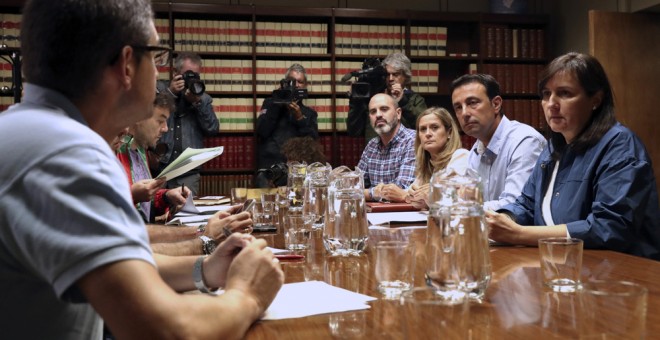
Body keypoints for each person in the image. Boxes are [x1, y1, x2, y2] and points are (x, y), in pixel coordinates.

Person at [0, 1, 283, 339]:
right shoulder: (67, 153)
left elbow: (120, 266)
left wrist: (206, 268)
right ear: (127, 65)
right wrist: (248, 294)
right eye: (157, 56)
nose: (161, 72)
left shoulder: (27, 130)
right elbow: (168, 330)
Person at [486, 52, 660, 260]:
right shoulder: (552, 149)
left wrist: (519, 234)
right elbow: (526, 205)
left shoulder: (620, 145)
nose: (551, 104)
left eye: (565, 93)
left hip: (622, 275)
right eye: (546, 94)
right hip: (563, 266)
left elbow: (610, 228)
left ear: (595, 99)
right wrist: (501, 220)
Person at [451, 73, 546, 211]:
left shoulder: (524, 141)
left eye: (472, 103)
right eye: (458, 107)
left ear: (496, 104)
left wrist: (456, 207)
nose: (464, 113)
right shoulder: (476, 151)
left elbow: (514, 207)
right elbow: (468, 200)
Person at [116, 92, 189, 223]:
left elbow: (145, 204)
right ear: (138, 117)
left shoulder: (141, 150)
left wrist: (166, 196)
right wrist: (132, 195)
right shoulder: (115, 151)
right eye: (160, 121)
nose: (165, 128)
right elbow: (108, 209)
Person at [379, 107, 469, 208]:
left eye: (434, 127)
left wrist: (405, 197)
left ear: (449, 133)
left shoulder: (461, 156)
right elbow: (413, 194)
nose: (428, 134)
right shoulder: (427, 164)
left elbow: (454, 203)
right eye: (423, 129)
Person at [157, 51, 219, 196]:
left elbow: (212, 128)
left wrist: (197, 102)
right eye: (187, 74)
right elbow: (148, 117)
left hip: (188, 169)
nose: (191, 79)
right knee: (157, 211)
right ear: (175, 72)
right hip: (159, 166)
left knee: (186, 211)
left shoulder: (203, 98)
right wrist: (170, 93)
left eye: (195, 75)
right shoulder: (159, 90)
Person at [255, 63, 319, 188]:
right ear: (284, 83)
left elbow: (313, 142)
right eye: (291, 81)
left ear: (305, 86)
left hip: (298, 171)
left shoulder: (309, 113)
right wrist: (278, 103)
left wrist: (300, 117)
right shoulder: (270, 104)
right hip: (270, 170)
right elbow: (261, 131)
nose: (296, 85)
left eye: (300, 82)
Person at [347, 52, 427, 141]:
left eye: (396, 74)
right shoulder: (374, 100)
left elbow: (424, 126)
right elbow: (353, 131)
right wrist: (355, 102)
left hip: (403, 151)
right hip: (375, 152)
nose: (391, 79)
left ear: (406, 76)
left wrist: (402, 101)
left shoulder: (414, 99)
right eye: (387, 74)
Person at [357, 93, 416, 201]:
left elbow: (400, 189)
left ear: (398, 113)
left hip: (403, 215)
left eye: (384, 109)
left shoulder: (412, 140)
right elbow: (354, 188)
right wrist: (374, 192)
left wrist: (370, 193)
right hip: (376, 215)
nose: (378, 115)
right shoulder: (371, 146)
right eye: (373, 111)